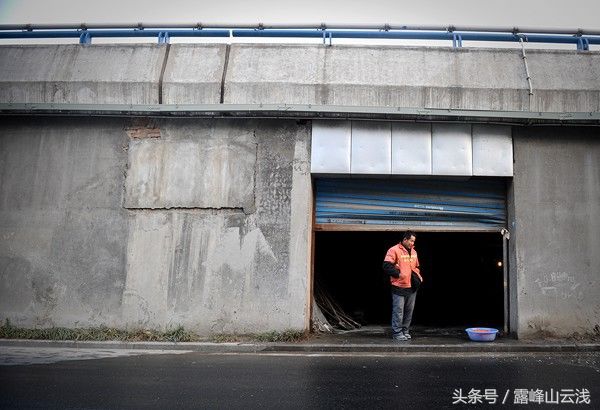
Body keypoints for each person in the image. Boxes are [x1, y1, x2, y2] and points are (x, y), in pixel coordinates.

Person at [382, 231, 423, 341]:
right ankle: (397, 333)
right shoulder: (394, 250)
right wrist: (399, 274)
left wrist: (418, 276)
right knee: (398, 311)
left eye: (413, 241)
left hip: (412, 286)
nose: (412, 243)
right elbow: (386, 266)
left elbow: (417, 266)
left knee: (409, 311)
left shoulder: (414, 252)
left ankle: (405, 331)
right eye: (411, 241)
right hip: (399, 286)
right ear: (405, 239)